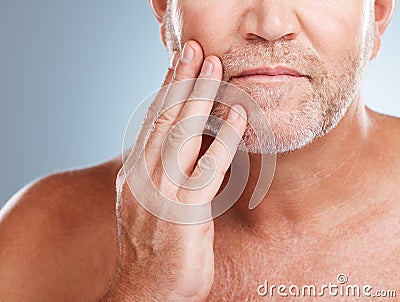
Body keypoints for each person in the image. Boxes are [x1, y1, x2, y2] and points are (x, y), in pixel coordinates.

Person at [0, 0, 399, 300]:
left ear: (378, 12)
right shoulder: (40, 237)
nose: (271, 25)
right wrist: (144, 288)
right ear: (166, 8)